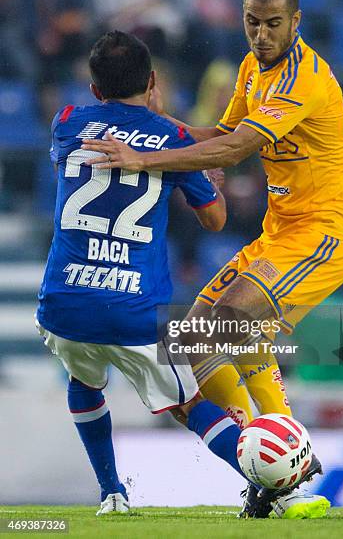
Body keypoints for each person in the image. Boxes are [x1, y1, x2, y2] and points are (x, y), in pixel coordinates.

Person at [82, 0, 343, 519]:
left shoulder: (304, 78)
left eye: (273, 24)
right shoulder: (250, 69)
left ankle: (292, 467)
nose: (261, 35)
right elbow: (218, 136)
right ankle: (271, 473)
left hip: (325, 233)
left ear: (296, 22)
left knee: (231, 320)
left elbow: (236, 150)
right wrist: (158, 121)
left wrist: (142, 159)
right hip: (281, 232)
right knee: (194, 337)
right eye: (252, 23)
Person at [36, 30, 257, 515]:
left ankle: (112, 491)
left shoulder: (68, 121)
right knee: (189, 405)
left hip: (64, 303)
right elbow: (214, 220)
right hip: (135, 309)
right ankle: (270, 483)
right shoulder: (173, 140)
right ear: (153, 80)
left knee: (84, 378)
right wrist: (209, 181)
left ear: (94, 88)